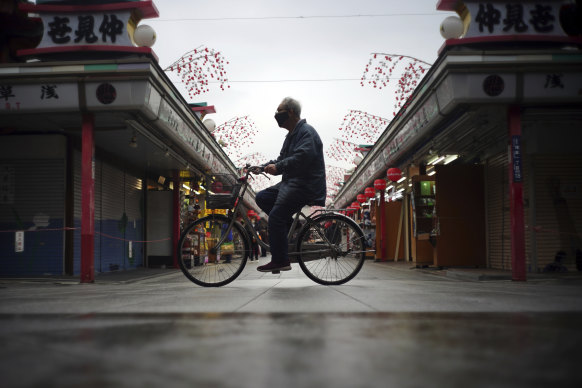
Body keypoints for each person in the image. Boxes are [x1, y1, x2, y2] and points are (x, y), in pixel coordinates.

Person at [253, 97, 326, 273]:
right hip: (291, 183)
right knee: (262, 197)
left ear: (291, 112)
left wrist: (278, 166)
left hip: (304, 184)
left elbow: (301, 157)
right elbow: (282, 160)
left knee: (276, 218)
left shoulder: (306, 132)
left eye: (279, 111)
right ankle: (292, 225)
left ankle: (281, 260)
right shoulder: (291, 136)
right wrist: (263, 167)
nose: (276, 115)